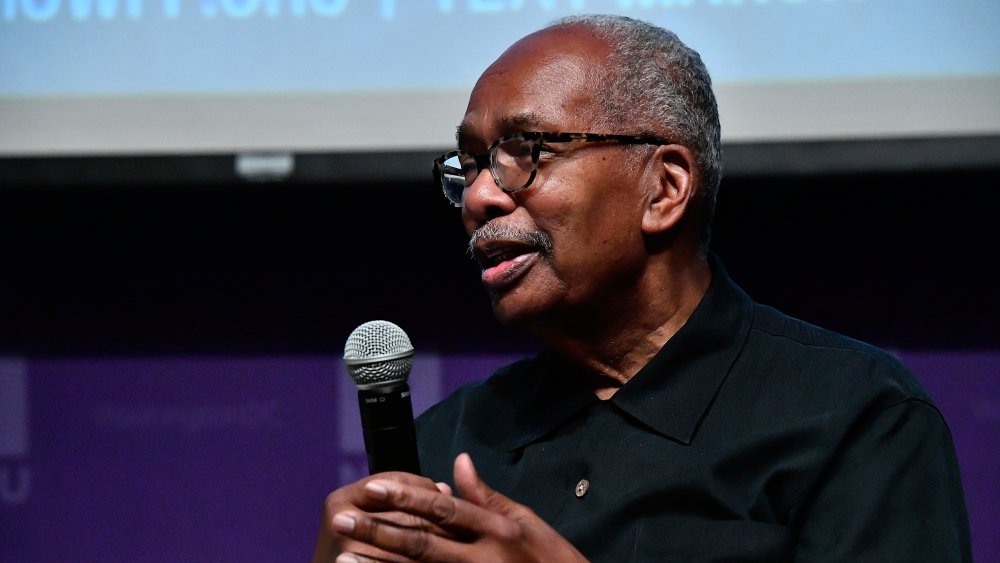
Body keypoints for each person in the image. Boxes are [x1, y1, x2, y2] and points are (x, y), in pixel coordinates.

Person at [313, 14, 971, 562]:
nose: (481, 196)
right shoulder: (447, 443)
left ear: (664, 188)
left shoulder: (852, 420)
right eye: (474, 163)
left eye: (525, 153)